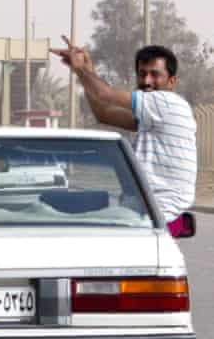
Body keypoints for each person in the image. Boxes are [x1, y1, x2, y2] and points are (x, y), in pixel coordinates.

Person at [51, 38, 197, 235]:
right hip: (144, 212)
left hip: (157, 215)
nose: (146, 81)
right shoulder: (153, 117)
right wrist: (86, 70)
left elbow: (104, 94)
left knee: (69, 228)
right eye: (142, 74)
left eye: (155, 75)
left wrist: (81, 70)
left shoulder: (167, 103)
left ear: (171, 81)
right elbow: (103, 112)